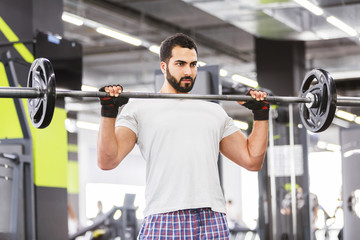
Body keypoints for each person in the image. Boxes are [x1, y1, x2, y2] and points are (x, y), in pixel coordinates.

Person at [97, 33, 269, 239]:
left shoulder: (213, 111)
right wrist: (108, 112)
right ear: (164, 66)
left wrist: (261, 114)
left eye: (193, 64)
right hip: (164, 215)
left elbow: (252, 160)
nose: (188, 71)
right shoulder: (139, 107)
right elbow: (107, 161)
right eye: (180, 64)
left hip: (211, 217)